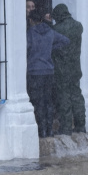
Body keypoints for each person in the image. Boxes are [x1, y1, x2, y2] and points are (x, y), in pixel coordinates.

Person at [27, 9, 69, 138]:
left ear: (31, 20)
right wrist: (51, 48)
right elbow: (66, 41)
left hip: (34, 72)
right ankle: (50, 130)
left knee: (38, 102)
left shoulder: (30, 33)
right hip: (49, 71)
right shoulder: (50, 32)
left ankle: (41, 131)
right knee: (48, 102)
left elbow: (24, 48)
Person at [50, 4, 86, 135]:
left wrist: (48, 23)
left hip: (61, 69)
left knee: (63, 97)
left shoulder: (56, 29)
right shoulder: (78, 26)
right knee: (77, 95)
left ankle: (65, 128)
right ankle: (80, 125)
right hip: (76, 67)